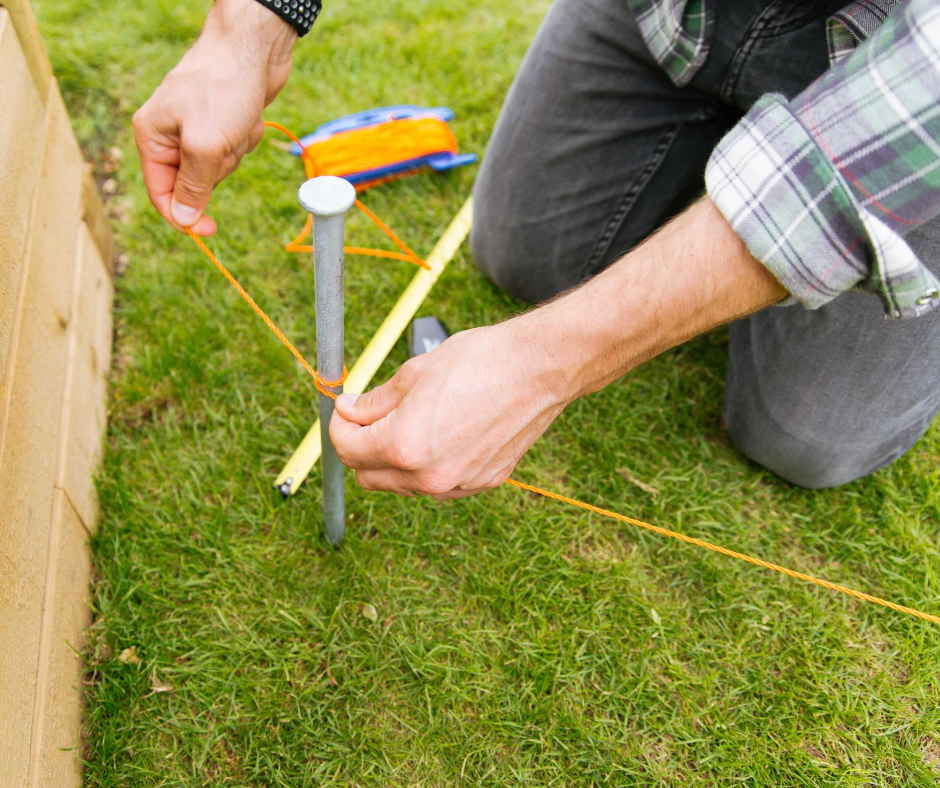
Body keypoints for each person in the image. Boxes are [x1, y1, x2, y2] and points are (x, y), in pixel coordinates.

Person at [134, 0, 940, 500]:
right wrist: (254, 23)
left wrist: (543, 365)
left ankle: (751, 165)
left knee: (802, 436)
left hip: (906, 91)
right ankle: (733, 151)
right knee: (521, 254)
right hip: (680, 16)